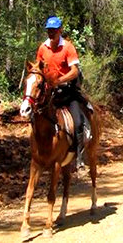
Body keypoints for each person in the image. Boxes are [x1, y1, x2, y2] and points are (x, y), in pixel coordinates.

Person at [36, 15, 87, 173]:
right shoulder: (43, 47)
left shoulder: (68, 47)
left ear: (60, 30)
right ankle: (38, 153)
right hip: (50, 92)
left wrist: (60, 80)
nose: (50, 33)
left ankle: (78, 157)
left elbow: (74, 71)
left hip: (67, 91)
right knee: (36, 116)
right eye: (48, 30)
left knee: (78, 121)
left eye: (53, 30)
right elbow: (38, 67)